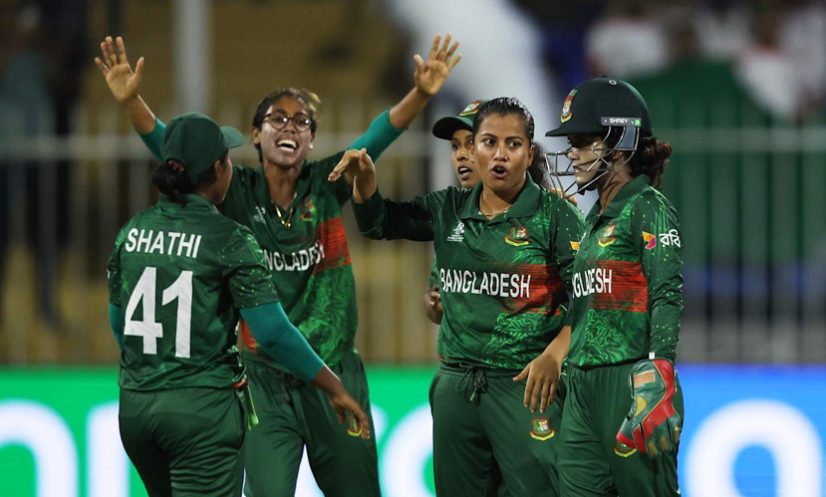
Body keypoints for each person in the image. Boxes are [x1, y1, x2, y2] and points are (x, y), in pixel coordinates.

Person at [96, 34, 460, 496]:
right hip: (263, 380)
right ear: (256, 134)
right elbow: (176, 150)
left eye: (302, 121)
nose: (290, 126)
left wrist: (421, 94)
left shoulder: (327, 183)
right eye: (278, 118)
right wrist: (133, 103)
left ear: (311, 139)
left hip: (331, 365)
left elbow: (377, 136)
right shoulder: (234, 191)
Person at [331, 97, 586, 497]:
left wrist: (555, 355)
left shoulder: (555, 214)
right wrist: (365, 180)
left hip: (524, 385)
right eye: (480, 143)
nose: (492, 154)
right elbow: (379, 222)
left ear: (529, 152)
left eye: (511, 144)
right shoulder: (449, 208)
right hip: (456, 387)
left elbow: (592, 298)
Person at [107, 112, 369, 497]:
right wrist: (333, 385)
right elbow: (273, 334)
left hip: (135, 411)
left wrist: (153, 374)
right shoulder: (229, 239)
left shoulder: (131, 232)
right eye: (228, 158)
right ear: (218, 169)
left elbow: (120, 325)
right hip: (201, 412)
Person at [544, 77, 683, 496]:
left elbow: (666, 291)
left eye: (582, 141)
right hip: (582, 386)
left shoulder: (647, 206)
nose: (571, 152)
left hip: (631, 380)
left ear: (619, 145)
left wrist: (660, 368)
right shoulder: (593, 220)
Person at [424, 100, 557, 324]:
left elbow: (577, 300)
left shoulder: (550, 216)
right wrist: (433, 305)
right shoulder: (458, 222)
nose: (461, 155)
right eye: (455, 146)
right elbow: (438, 293)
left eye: (471, 144)